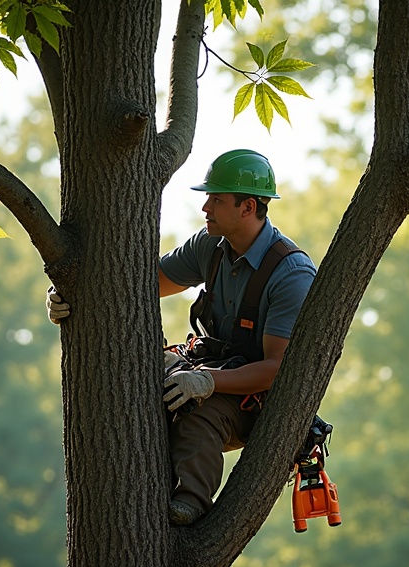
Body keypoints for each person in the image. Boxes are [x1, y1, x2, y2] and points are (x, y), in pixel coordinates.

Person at [46, 149, 316, 525]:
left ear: (248, 207)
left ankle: (189, 503)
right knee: (139, 372)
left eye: (217, 199)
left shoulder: (291, 275)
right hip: (209, 370)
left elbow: (277, 369)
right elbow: (138, 284)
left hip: (254, 399)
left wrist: (206, 381)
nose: (205, 207)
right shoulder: (210, 246)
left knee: (197, 412)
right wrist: (72, 294)